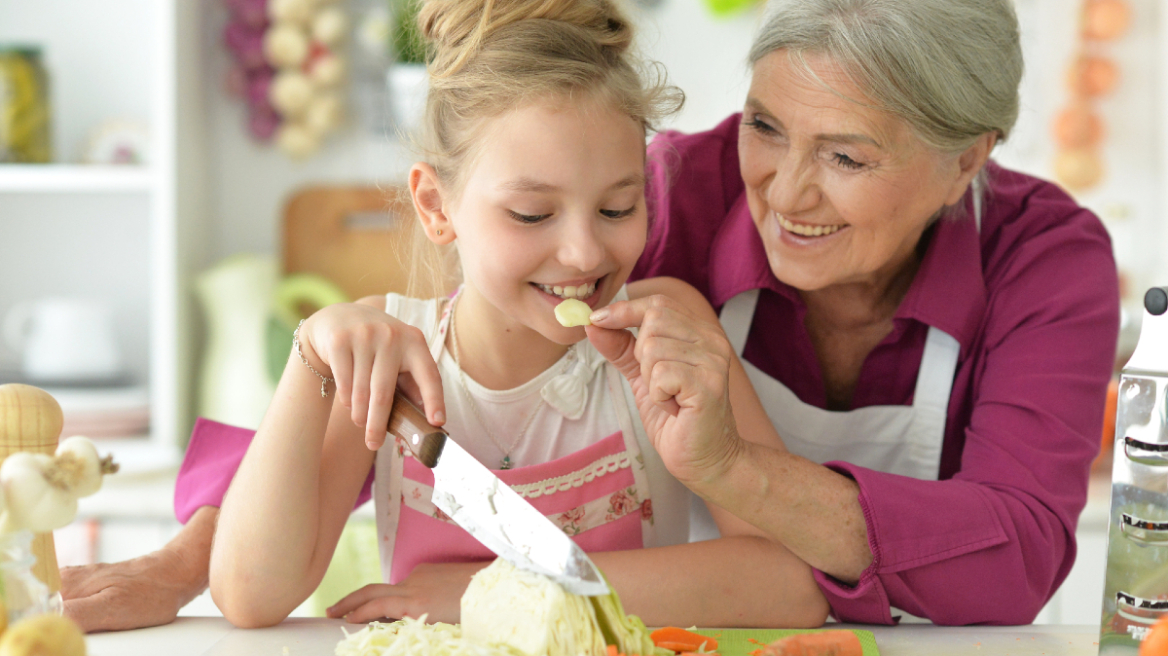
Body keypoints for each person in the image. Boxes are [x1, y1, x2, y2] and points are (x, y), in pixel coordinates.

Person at [61, 0, 1120, 630]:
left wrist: (510, 588)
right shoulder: (654, 197)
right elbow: (421, 355)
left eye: (845, 156)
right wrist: (181, 556)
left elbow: (1019, 551)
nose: (785, 191)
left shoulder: (1045, 260)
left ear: (963, 163)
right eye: (765, 127)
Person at [206, 0, 824, 630]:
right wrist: (311, 353)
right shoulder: (385, 358)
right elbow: (252, 596)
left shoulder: (663, 326)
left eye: (617, 208)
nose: (585, 252)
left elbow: (789, 584)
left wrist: (492, 591)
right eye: (532, 214)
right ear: (436, 205)